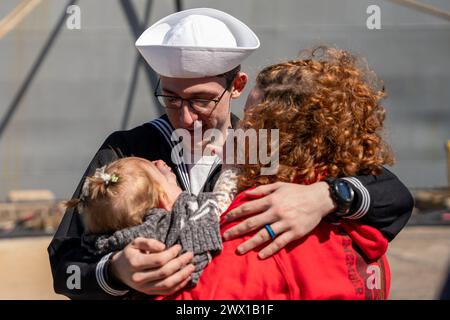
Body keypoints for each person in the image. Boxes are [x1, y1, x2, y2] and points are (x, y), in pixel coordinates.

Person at [48, 8, 413, 299]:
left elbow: (393, 195)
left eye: (202, 100)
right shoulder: (128, 148)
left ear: (237, 86)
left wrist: (325, 195)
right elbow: (65, 264)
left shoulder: (266, 145)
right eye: (172, 99)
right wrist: (115, 271)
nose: (186, 117)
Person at [163, 47, 393, 300]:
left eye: (250, 123)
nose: (240, 131)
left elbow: (194, 299)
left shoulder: (263, 216)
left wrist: (181, 207)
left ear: (281, 136)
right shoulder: (363, 223)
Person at [64, 157, 233, 291]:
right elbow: (212, 208)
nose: (162, 165)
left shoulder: (99, 241)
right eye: (167, 179)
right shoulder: (170, 225)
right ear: (162, 202)